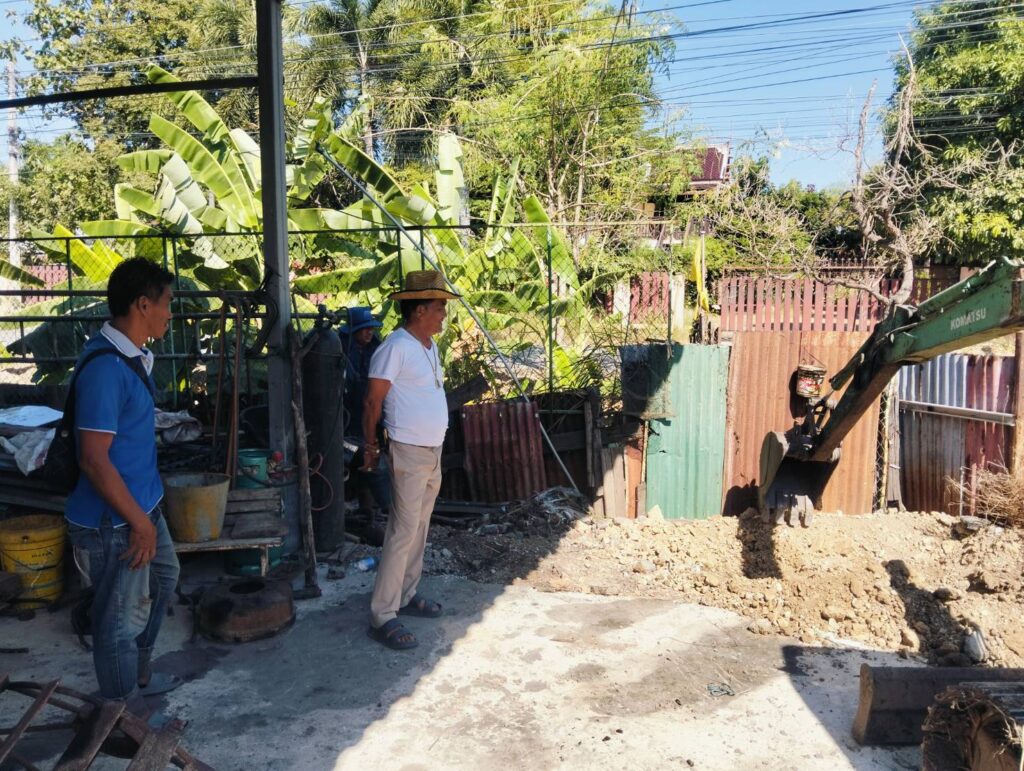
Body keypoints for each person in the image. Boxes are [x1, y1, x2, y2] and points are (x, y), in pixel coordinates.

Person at [65, 257, 181, 714]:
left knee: (166, 577)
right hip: (113, 521)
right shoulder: (106, 370)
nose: (170, 313)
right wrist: (140, 524)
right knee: (117, 622)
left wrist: (147, 515)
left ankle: (138, 673)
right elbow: (93, 460)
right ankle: (120, 714)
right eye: (166, 303)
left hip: (141, 506)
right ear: (143, 305)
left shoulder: (131, 357)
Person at [362, 270, 459, 650]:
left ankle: (405, 594)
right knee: (403, 531)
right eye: (439, 307)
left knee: (419, 527)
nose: (443, 314)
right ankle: (382, 614)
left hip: (432, 451)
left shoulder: (428, 346)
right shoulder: (395, 347)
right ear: (419, 310)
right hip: (408, 451)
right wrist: (370, 446)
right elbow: (372, 401)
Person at [340, 307, 391, 528]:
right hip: (347, 414)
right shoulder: (340, 348)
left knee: (371, 459)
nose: (369, 332)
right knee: (351, 460)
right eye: (364, 329)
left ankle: (370, 508)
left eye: (371, 328)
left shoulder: (377, 349)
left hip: (371, 412)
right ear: (353, 330)